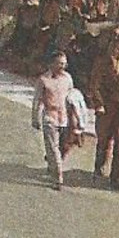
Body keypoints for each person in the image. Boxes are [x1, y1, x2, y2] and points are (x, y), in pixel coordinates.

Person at [88, 41, 119, 189]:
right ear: (113, 49)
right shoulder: (102, 64)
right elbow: (94, 86)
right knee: (103, 141)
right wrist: (99, 104)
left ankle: (115, 178)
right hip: (106, 109)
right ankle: (98, 169)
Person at [31, 53, 75, 190]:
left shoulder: (68, 78)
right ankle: (58, 178)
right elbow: (37, 100)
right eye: (59, 63)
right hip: (50, 117)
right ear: (51, 64)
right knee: (53, 148)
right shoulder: (43, 80)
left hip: (65, 118)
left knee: (62, 148)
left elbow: (72, 96)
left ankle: (53, 165)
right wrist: (35, 117)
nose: (62, 66)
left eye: (64, 63)